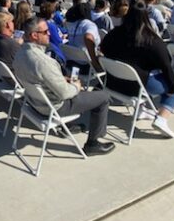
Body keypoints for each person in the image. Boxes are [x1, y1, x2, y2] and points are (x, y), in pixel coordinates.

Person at [13, 18, 115, 155]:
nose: (49, 33)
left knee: (82, 89)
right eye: (45, 31)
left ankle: (67, 127)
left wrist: (62, 79)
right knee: (104, 97)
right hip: (55, 107)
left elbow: (40, 77)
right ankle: (93, 144)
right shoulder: (43, 61)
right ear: (34, 35)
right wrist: (77, 86)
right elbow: (65, 94)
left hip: (34, 103)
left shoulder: (19, 54)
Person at [101, 6, 174, 138]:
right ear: (146, 18)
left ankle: (141, 110)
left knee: (141, 73)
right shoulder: (152, 40)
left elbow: (104, 48)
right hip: (135, 87)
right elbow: (166, 66)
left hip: (113, 82)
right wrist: (172, 88)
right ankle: (161, 119)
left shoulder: (114, 33)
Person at [65, 2, 102, 72]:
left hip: (71, 65)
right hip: (86, 66)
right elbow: (88, 38)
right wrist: (94, 62)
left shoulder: (70, 24)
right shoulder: (89, 25)